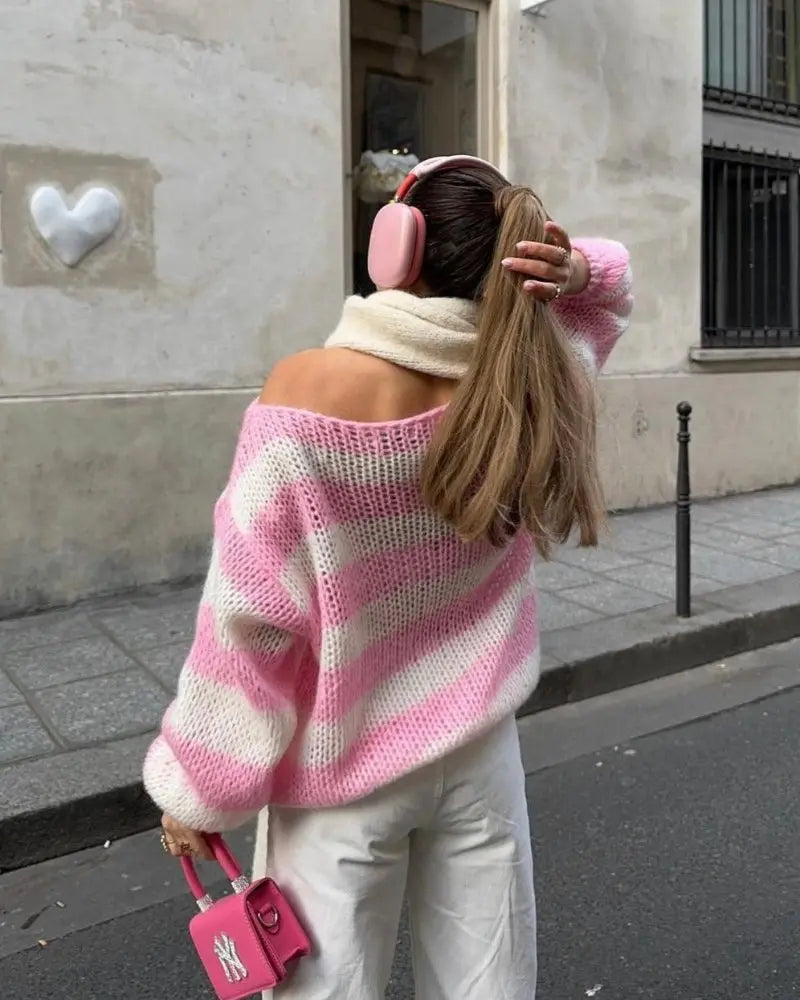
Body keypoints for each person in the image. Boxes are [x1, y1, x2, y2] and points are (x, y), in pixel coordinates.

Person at [144, 155, 633, 999]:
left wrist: (199, 789)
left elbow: (250, 622)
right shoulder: (538, 380)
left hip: (343, 775)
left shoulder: (307, 391)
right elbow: (609, 298)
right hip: (481, 754)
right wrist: (579, 270)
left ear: (394, 248)